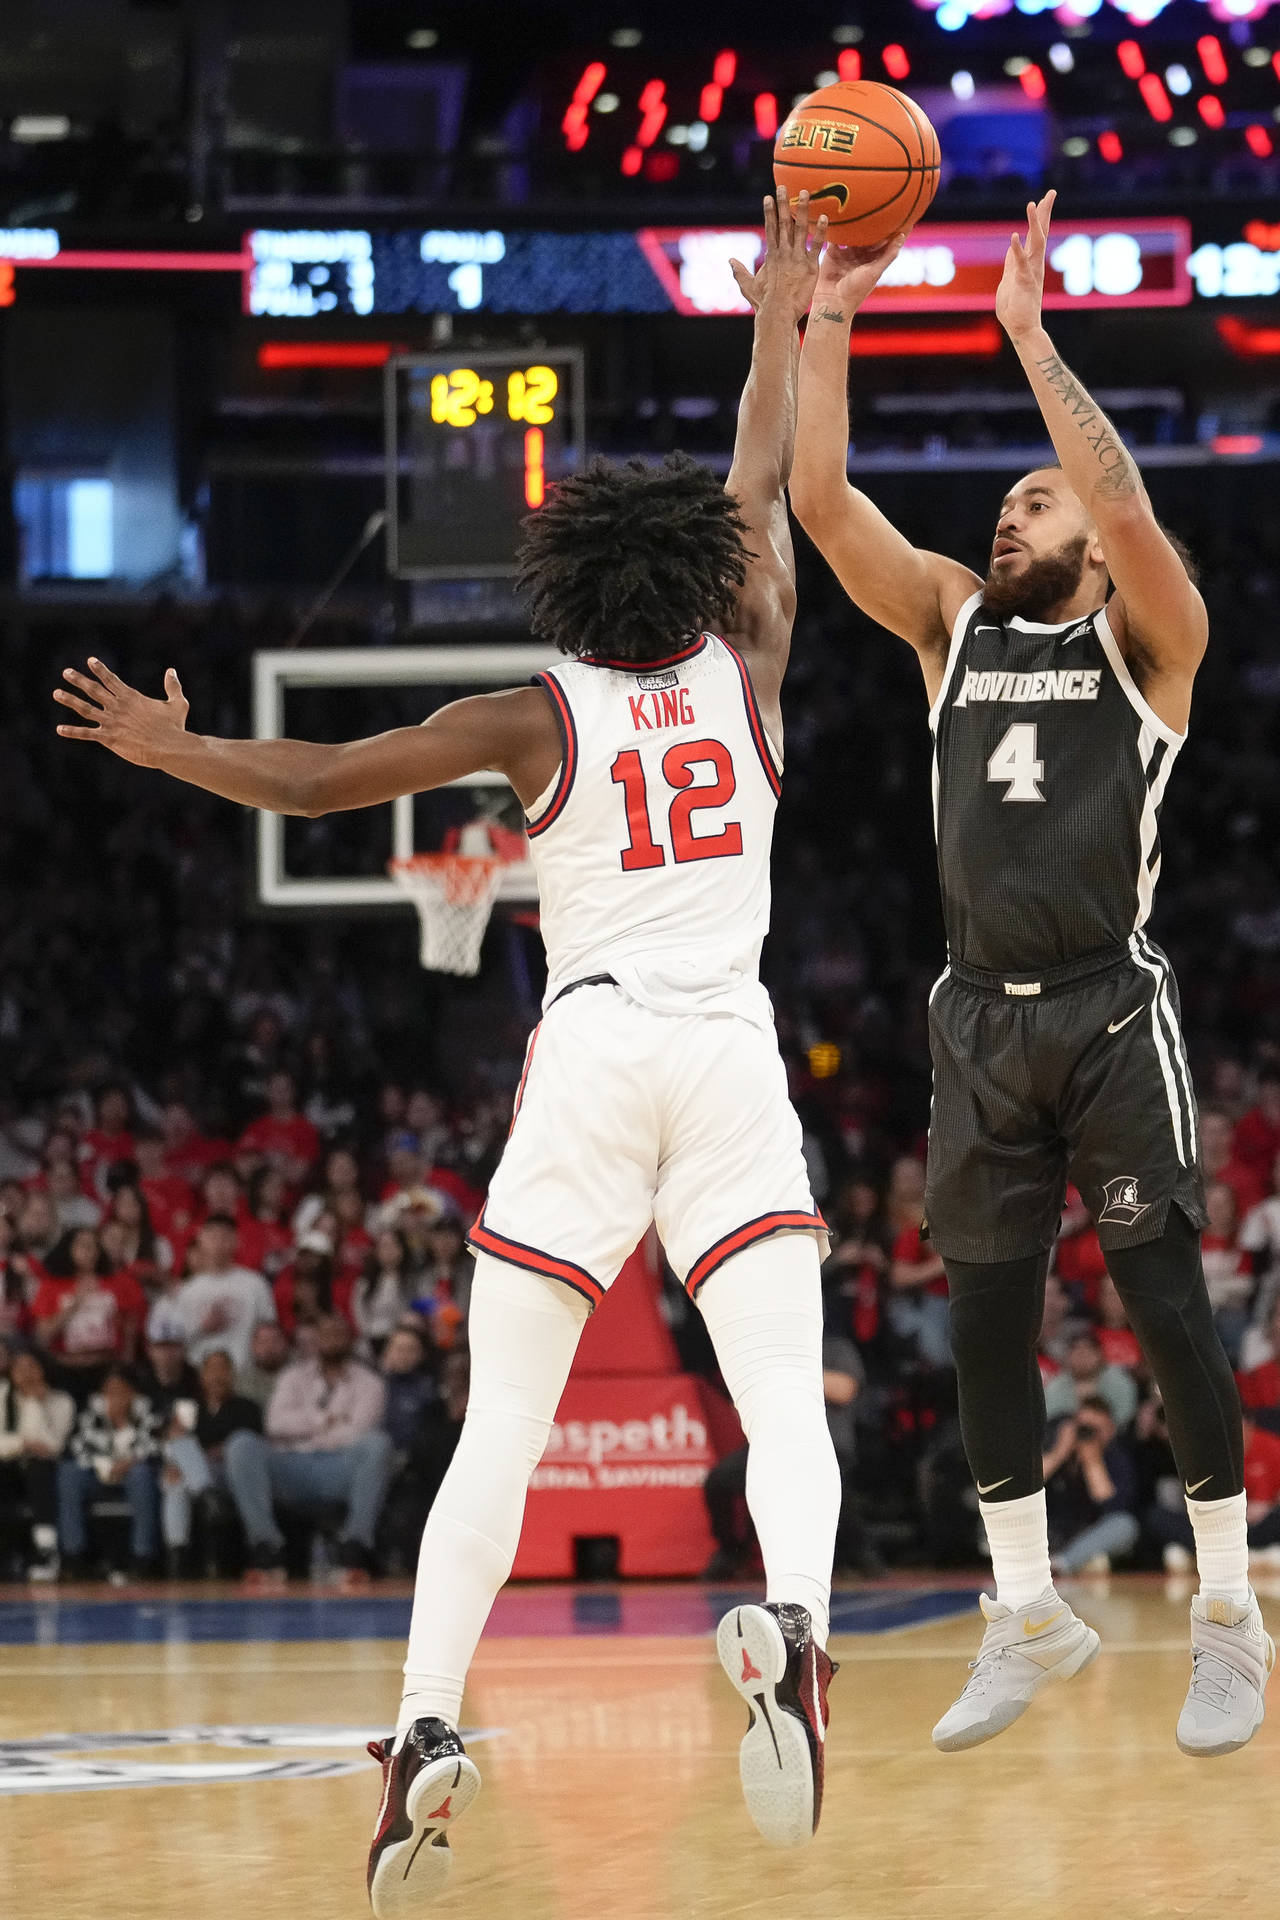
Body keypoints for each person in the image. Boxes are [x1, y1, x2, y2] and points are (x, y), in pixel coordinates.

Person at [55, 190, 841, 1895]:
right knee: (782, 1390)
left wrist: (173, 751)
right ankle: (796, 1630)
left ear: (571, 593)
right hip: (727, 1047)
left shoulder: (527, 716)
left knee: (502, 1426)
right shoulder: (753, 666)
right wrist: (777, 322)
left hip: (594, 1052)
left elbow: (322, 781)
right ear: (703, 581)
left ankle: (422, 1726)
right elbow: (763, 483)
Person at [791, 188, 1269, 1758]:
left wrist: (1027, 336)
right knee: (982, 1327)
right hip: (978, 1017)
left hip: (1109, 1007)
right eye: (1005, 504)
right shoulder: (951, 626)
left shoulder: (1152, 639)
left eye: (1037, 506)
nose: (1013, 518)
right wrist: (835, 309)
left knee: (1163, 1305)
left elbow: (1124, 503)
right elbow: (820, 500)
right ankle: (1026, 1612)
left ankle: (1229, 1616)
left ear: (1095, 545)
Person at [221, 1311, 392, 1590]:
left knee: (377, 1444)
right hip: (291, 1464)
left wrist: (306, 1428)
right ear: (316, 1341)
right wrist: (326, 1421)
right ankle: (266, 1545)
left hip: (341, 1467)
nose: (332, 1340)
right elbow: (275, 1423)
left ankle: (355, 1546)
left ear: (351, 1340)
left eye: (339, 1334)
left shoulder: (370, 1383)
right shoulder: (292, 1377)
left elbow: (360, 1431)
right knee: (242, 1444)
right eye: (326, 1334)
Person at [57, 1366, 163, 1578]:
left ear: (133, 1392)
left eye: (121, 1391)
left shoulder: (148, 1414)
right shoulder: (91, 1415)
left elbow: (154, 1447)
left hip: (133, 1474)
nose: (115, 1397)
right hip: (97, 1474)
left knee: (141, 1474)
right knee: (69, 1472)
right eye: (109, 1392)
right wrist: (103, 1463)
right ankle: (73, 1555)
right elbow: (77, 1447)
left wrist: (128, 1460)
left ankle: (142, 1555)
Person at [0, 1346, 76, 1579]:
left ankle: (46, 1550)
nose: (25, 1374)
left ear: (43, 1370)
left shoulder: (61, 1401)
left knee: (39, 1469)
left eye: (31, 1367)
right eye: (19, 1368)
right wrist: (22, 1443)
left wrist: (34, 1403)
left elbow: (52, 1447)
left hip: (45, 1470)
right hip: (8, 1466)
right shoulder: (2, 1396)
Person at [1043, 1396, 1140, 1577]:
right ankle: (1079, 1562)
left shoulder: (1117, 1457)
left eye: (1095, 1429)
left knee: (1126, 1525)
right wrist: (1059, 1453)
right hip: (1049, 1532)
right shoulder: (1055, 1445)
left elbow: (1113, 1508)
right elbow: (1028, 1489)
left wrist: (1093, 1462)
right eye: (1083, 1428)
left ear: (1110, 1430)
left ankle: (1061, 1564)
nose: (1087, 1434)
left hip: (1088, 1535)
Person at [169, 1215, 276, 1373]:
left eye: (225, 1237)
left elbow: (268, 1331)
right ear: (201, 1239)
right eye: (213, 1237)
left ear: (236, 1241)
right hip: (199, 1374)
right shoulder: (187, 1290)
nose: (218, 1243)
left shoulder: (255, 1284)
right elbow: (175, 1341)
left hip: (244, 1373)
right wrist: (202, 1327)